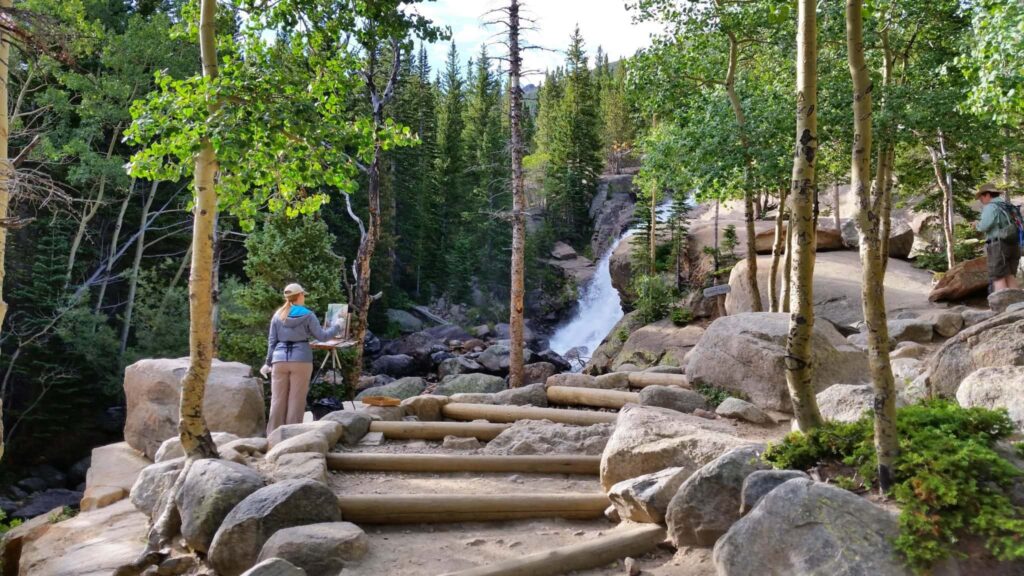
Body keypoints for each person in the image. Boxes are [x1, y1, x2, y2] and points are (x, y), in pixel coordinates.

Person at [261, 283, 343, 435]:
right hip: (301, 360)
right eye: (303, 294)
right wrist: (338, 325)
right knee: (296, 400)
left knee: (277, 400)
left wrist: (267, 363)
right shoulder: (308, 315)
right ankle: (293, 436)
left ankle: (272, 436)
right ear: (299, 296)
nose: (304, 297)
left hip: (279, 361)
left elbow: (272, 341)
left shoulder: (278, 315)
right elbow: (322, 336)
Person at [976, 183, 1021, 293]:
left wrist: (976, 225)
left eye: (981, 197)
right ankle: (1017, 306)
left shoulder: (991, 207)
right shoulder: (1007, 205)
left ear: (987, 195)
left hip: (999, 246)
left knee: (998, 276)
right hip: (1014, 244)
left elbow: (984, 226)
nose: (980, 200)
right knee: (1009, 275)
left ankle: (1001, 307)